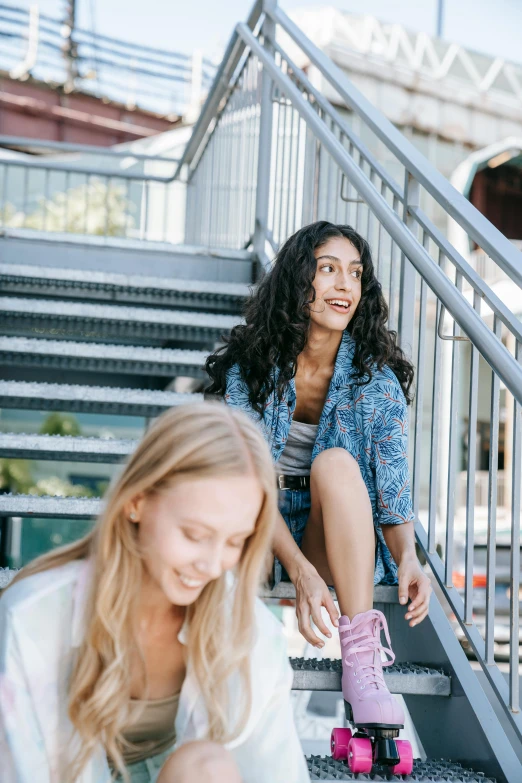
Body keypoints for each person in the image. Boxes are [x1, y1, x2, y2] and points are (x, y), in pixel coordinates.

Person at [0, 402, 310, 783]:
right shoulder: (34, 615)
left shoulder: (247, 627)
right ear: (136, 501)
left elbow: (273, 768)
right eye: (195, 535)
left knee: (207, 767)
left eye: (235, 541)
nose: (213, 566)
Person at [206, 221, 432, 731]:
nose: (343, 286)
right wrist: (300, 573)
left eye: (354, 274)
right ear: (297, 281)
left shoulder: (375, 379)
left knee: (335, 462)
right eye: (327, 269)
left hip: (330, 532)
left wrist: (408, 557)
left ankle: (361, 660)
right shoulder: (254, 366)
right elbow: (249, 477)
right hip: (255, 522)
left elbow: (391, 491)